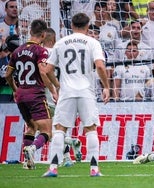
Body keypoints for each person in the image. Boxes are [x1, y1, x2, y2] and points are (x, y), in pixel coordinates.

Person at [42, 13, 110, 177]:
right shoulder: (93, 42)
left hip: (67, 92)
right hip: (86, 91)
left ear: (71, 25)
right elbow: (100, 66)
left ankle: (52, 168)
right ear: (88, 26)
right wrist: (106, 87)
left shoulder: (61, 42)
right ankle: (94, 169)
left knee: (59, 129)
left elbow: (47, 69)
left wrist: (57, 86)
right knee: (90, 129)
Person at [5, 19, 57, 170]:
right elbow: (43, 71)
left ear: (30, 32)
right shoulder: (41, 51)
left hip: (21, 94)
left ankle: (28, 163)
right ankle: (32, 148)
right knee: (46, 130)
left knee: (31, 126)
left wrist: (16, 90)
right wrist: (53, 90)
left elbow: (8, 75)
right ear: (43, 35)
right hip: (35, 94)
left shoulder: (16, 51)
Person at [42, 27, 82, 167]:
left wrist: (53, 88)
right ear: (54, 38)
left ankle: (62, 154)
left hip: (47, 95)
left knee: (49, 130)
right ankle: (66, 157)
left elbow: (45, 72)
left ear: (43, 38)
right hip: (65, 92)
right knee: (63, 126)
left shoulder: (42, 53)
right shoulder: (62, 52)